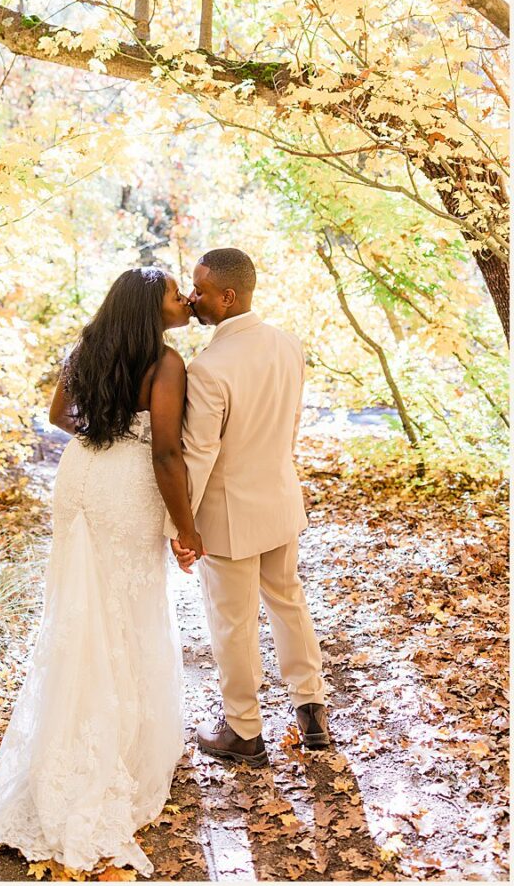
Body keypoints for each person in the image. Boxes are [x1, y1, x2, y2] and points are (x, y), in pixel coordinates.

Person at [0, 267, 198, 874]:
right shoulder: (167, 364)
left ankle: (69, 741)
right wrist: (187, 528)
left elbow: (58, 417)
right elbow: (168, 451)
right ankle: (114, 755)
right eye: (176, 294)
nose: (184, 301)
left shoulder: (85, 350)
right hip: (127, 488)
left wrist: (107, 429)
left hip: (79, 477)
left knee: (79, 608)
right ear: (153, 308)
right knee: (127, 610)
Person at [173, 248, 328, 766]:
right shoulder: (289, 345)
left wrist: (183, 524)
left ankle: (243, 729)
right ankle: (312, 709)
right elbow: (290, 423)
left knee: (232, 622)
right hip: (280, 499)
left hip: (229, 516)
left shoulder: (208, 368)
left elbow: (198, 454)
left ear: (228, 295)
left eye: (200, 289)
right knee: (288, 602)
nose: (192, 297)